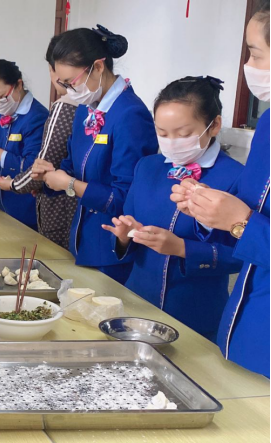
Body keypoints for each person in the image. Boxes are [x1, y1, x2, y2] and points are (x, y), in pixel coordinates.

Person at [103, 76, 244, 341]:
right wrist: (125, 235)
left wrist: (182, 248)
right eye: (163, 133)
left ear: (214, 125)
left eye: (184, 133)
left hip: (195, 312)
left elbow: (242, 256)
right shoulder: (148, 166)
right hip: (138, 302)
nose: (171, 142)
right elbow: (129, 221)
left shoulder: (236, 177)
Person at [171, 0, 270, 376]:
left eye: (255, 54)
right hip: (245, 319)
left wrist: (241, 223)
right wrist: (205, 207)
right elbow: (246, 209)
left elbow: (246, 221)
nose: (248, 65)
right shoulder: (268, 125)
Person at [32, 25, 158, 283]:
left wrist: (69, 184)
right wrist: (49, 176)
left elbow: (126, 197)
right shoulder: (86, 108)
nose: (68, 90)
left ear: (98, 67)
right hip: (83, 240)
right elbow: (72, 165)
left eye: (71, 82)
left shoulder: (130, 115)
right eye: (63, 84)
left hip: (112, 246)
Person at [0, 35, 79, 249]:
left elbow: (40, 165)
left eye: (0, 97)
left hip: (48, 206)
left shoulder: (57, 110)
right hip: (21, 199)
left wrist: (13, 182)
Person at [0, 60, 49, 229]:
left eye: (1, 97)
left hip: (26, 207)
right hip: (0, 204)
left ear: (18, 85)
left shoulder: (37, 117)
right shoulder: (0, 114)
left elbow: (33, 167)